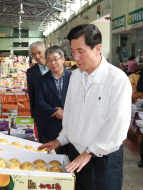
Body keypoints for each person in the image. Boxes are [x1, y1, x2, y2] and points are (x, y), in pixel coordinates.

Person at [38, 24, 132, 190]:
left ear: (97, 48)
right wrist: (60, 140)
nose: (76, 57)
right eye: (73, 52)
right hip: (76, 154)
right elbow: (71, 115)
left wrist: (89, 153)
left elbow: (117, 126)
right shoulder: (75, 76)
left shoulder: (116, 79)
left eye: (80, 51)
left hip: (102, 158)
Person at [35, 46, 72, 154]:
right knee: (52, 161)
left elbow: (78, 101)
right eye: (49, 60)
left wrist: (66, 113)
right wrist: (56, 112)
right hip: (49, 127)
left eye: (56, 59)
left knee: (71, 162)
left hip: (70, 128)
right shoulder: (42, 80)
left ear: (63, 59)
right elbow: (39, 102)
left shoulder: (73, 78)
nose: (53, 63)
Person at [27, 41, 49, 141]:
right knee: (44, 141)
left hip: (58, 113)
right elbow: (32, 94)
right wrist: (34, 116)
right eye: (33, 54)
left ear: (45, 51)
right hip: (40, 114)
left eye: (39, 52)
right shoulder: (31, 71)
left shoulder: (56, 67)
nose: (37, 56)